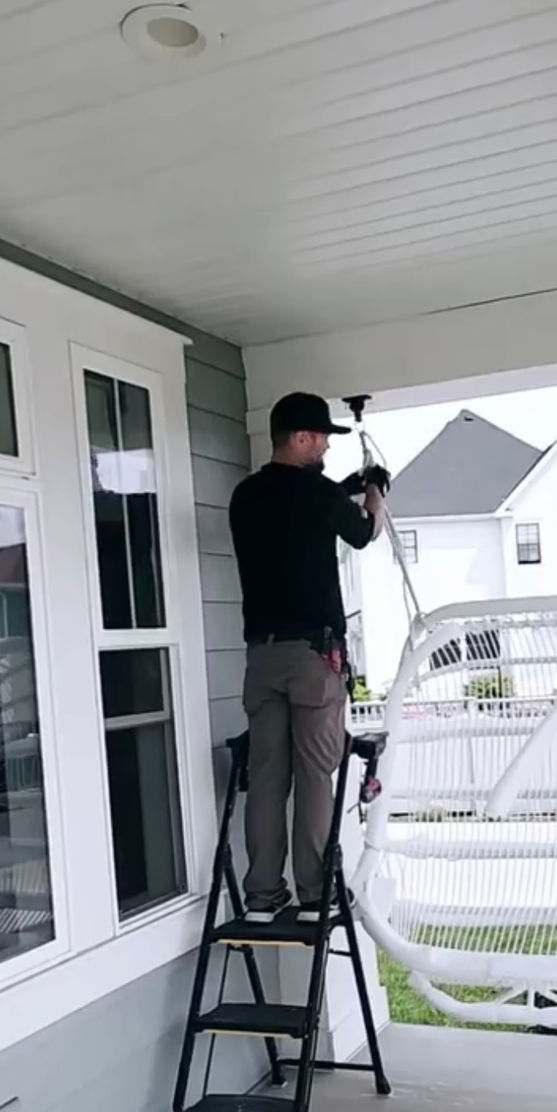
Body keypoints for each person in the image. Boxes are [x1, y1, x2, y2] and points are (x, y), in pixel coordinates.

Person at [229, 392, 387, 925]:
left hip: (261, 656)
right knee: (317, 773)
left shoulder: (245, 496)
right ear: (300, 437)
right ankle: (314, 891)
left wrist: (339, 490)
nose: (324, 446)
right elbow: (364, 532)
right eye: (319, 437)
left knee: (268, 774)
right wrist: (374, 492)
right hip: (314, 658)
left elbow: (294, 511)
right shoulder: (317, 493)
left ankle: (261, 894)